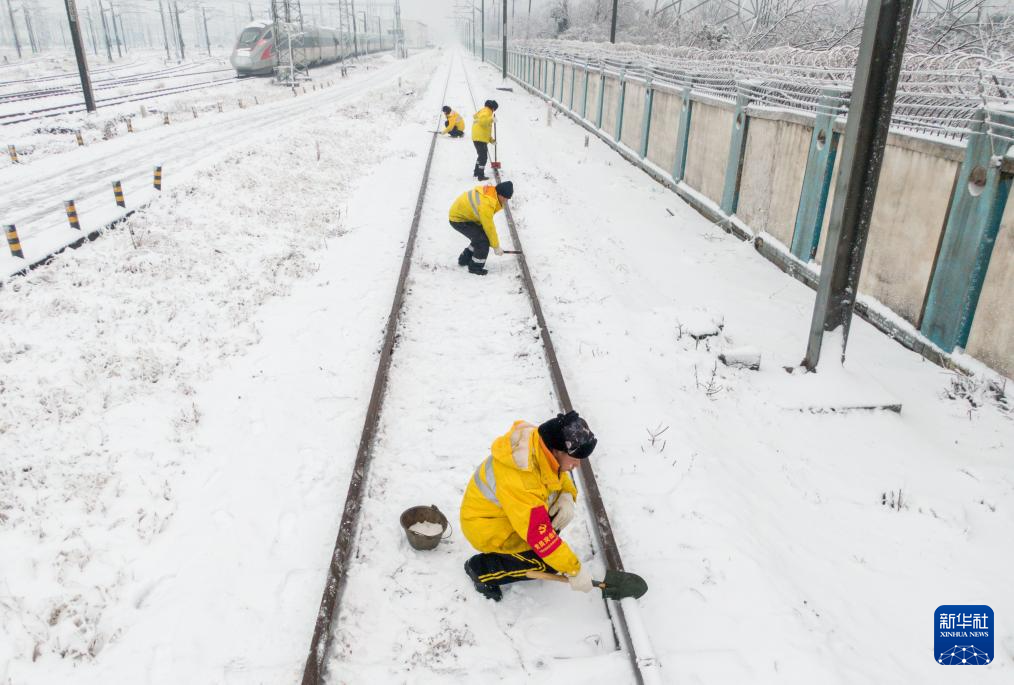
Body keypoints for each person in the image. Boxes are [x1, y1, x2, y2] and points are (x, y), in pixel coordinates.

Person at [460, 411, 598, 602]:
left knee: (550, 537)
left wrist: (567, 494)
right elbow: (539, 535)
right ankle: (480, 570)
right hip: (488, 527)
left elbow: (555, 474)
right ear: (557, 450)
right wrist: (574, 569)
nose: (578, 464)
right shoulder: (522, 479)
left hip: (508, 515)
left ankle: (530, 555)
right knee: (544, 564)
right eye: (575, 458)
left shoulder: (539, 443)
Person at [448, 180, 513, 276]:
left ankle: (464, 259)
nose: (506, 201)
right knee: (483, 241)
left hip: (465, 216)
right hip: (458, 219)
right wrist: (496, 247)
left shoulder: (491, 194)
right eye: (506, 198)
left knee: (480, 236)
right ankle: (475, 267)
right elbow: (489, 227)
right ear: (500, 195)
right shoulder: (487, 203)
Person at [471, 99, 498, 180]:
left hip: (478, 137)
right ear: (493, 108)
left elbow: (485, 129)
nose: (494, 111)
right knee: (483, 157)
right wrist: (491, 119)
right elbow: (483, 122)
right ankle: (480, 176)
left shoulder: (483, 112)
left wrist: (491, 140)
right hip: (480, 138)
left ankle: (476, 172)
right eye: (495, 109)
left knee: (481, 156)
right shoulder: (487, 112)